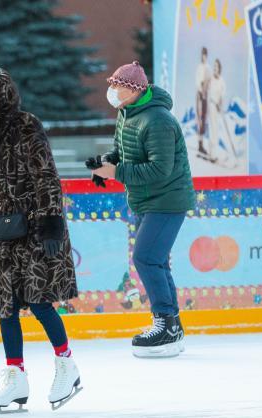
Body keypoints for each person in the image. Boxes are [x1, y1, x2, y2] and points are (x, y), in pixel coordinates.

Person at [0, 64, 81, 412]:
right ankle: (16, 378)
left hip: (37, 227)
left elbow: (46, 176)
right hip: (5, 233)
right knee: (6, 308)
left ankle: (67, 365)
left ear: (1, 92)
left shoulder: (27, 125)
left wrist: (52, 221)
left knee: (39, 302)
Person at [91, 61, 194, 358]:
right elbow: (120, 151)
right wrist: (104, 164)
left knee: (146, 257)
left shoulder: (158, 120)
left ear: (133, 90)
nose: (111, 91)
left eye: (116, 85)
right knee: (156, 260)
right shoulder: (126, 113)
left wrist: (117, 172)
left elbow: (160, 170)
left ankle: (165, 323)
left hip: (167, 199)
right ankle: (171, 325)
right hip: (145, 200)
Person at [195, 47, 212, 157]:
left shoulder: (208, 67)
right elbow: (198, 81)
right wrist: (201, 91)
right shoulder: (200, 67)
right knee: (200, 119)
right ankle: (199, 144)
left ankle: (202, 144)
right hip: (200, 95)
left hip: (206, 95)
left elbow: (209, 81)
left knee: (205, 119)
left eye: (205, 54)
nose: (203, 56)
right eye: (202, 54)